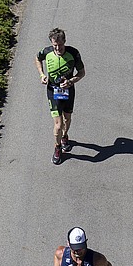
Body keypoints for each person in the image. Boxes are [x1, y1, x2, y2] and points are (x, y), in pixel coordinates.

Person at [36, 28, 85, 165]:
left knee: (67, 118)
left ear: (65, 41)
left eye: (60, 45)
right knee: (58, 124)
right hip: (53, 90)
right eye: (55, 45)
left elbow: (81, 73)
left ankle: (64, 137)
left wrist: (70, 81)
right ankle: (57, 148)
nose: (58, 48)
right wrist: (41, 74)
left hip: (68, 90)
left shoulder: (73, 53)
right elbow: (37, 58)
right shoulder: (46, 52)